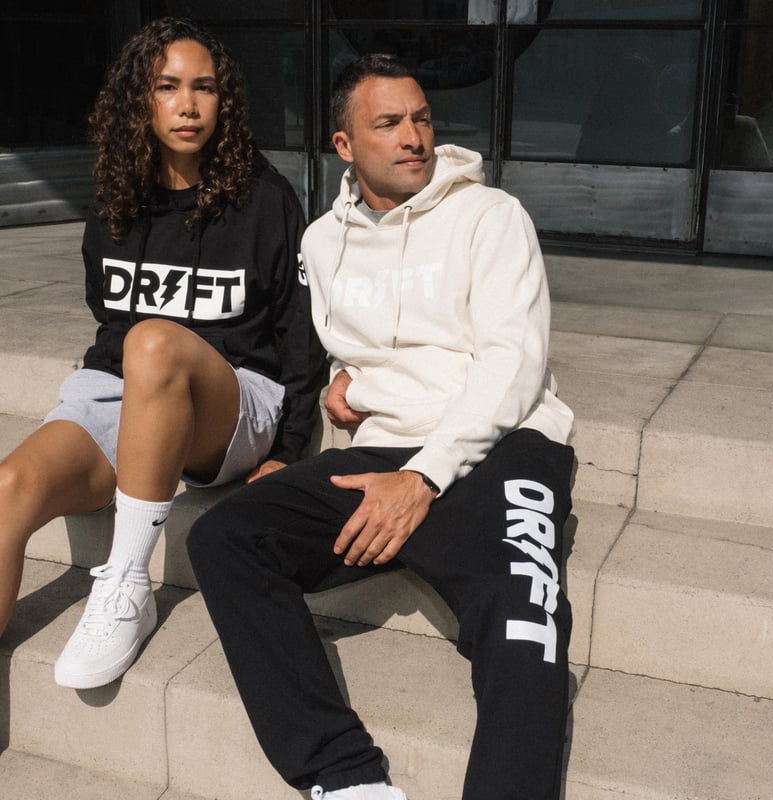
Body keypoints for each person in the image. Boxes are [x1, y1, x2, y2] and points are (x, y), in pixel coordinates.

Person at [188, 54, 575, 800]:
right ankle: (344, 778)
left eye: (421, 119)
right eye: (389, 123)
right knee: (224, 536)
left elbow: (513, 363)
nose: (414, 137)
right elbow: (339, 345)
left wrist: (424, 477)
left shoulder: (491, 216)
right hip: (383, 449)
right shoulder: (321, 240)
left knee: (524, 623)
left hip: (506, 443)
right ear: (343, 144)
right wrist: (343, 384)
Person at [0, 17, 325, 690]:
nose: (188, 105)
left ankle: (126, 581)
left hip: (232, 401)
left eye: (204, 87)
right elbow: (107, 322)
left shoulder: (265, 200)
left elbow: (300, 332)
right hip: (128, 392)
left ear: (223, 101)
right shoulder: (117, 199)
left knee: (152, 340)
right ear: (139, 101)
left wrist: (290, 450)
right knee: (8, 488)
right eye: (168, 86)